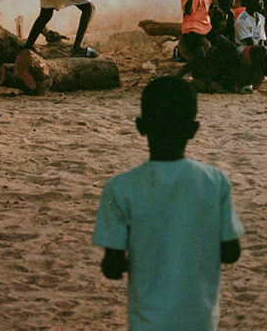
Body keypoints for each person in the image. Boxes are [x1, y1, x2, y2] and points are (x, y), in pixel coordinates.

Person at [93, 76, 243, 331]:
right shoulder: (214, 182)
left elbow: (112, 266)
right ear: (193, 129)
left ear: (141, 126)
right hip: (200, 319)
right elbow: (231, 252)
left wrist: (148, 258)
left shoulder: (121, 188)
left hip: (147, 321)